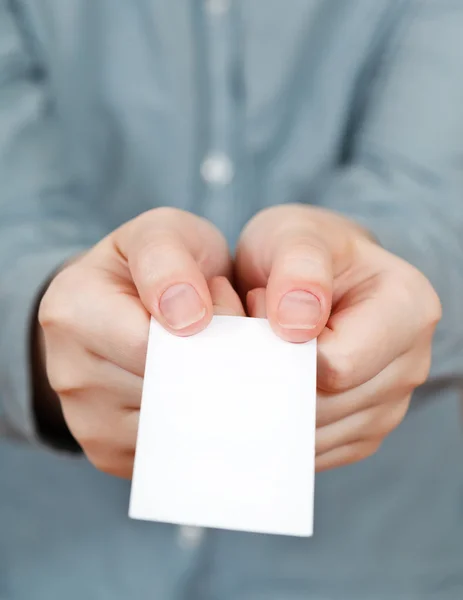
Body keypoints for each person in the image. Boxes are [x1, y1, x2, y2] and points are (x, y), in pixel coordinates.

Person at [1, 1, 462, 598]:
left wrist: (371, 271)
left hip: (378, 563)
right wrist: (44, 336)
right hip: (49, 558)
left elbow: (437, 199)